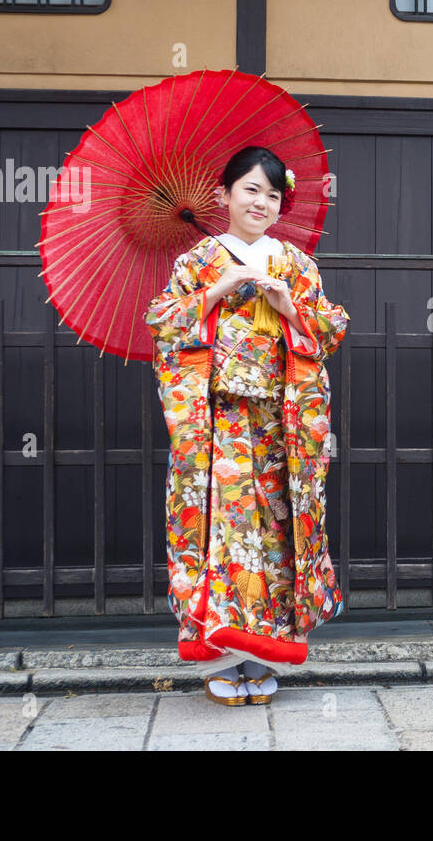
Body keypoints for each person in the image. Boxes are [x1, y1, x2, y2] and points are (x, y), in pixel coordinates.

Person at [145, 145, 349, 707]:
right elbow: (162, 324)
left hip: (280, 421)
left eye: (272, 194)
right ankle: (222, 655)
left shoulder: (296, 266)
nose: (261, 202)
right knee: (224, 526)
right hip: (222, 420)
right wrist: (218, 289)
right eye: (250, 190)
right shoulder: (197, 262)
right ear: (223, 196)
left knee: (280, 528)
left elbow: (329, 331)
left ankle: (266, 653)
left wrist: (288, 308)